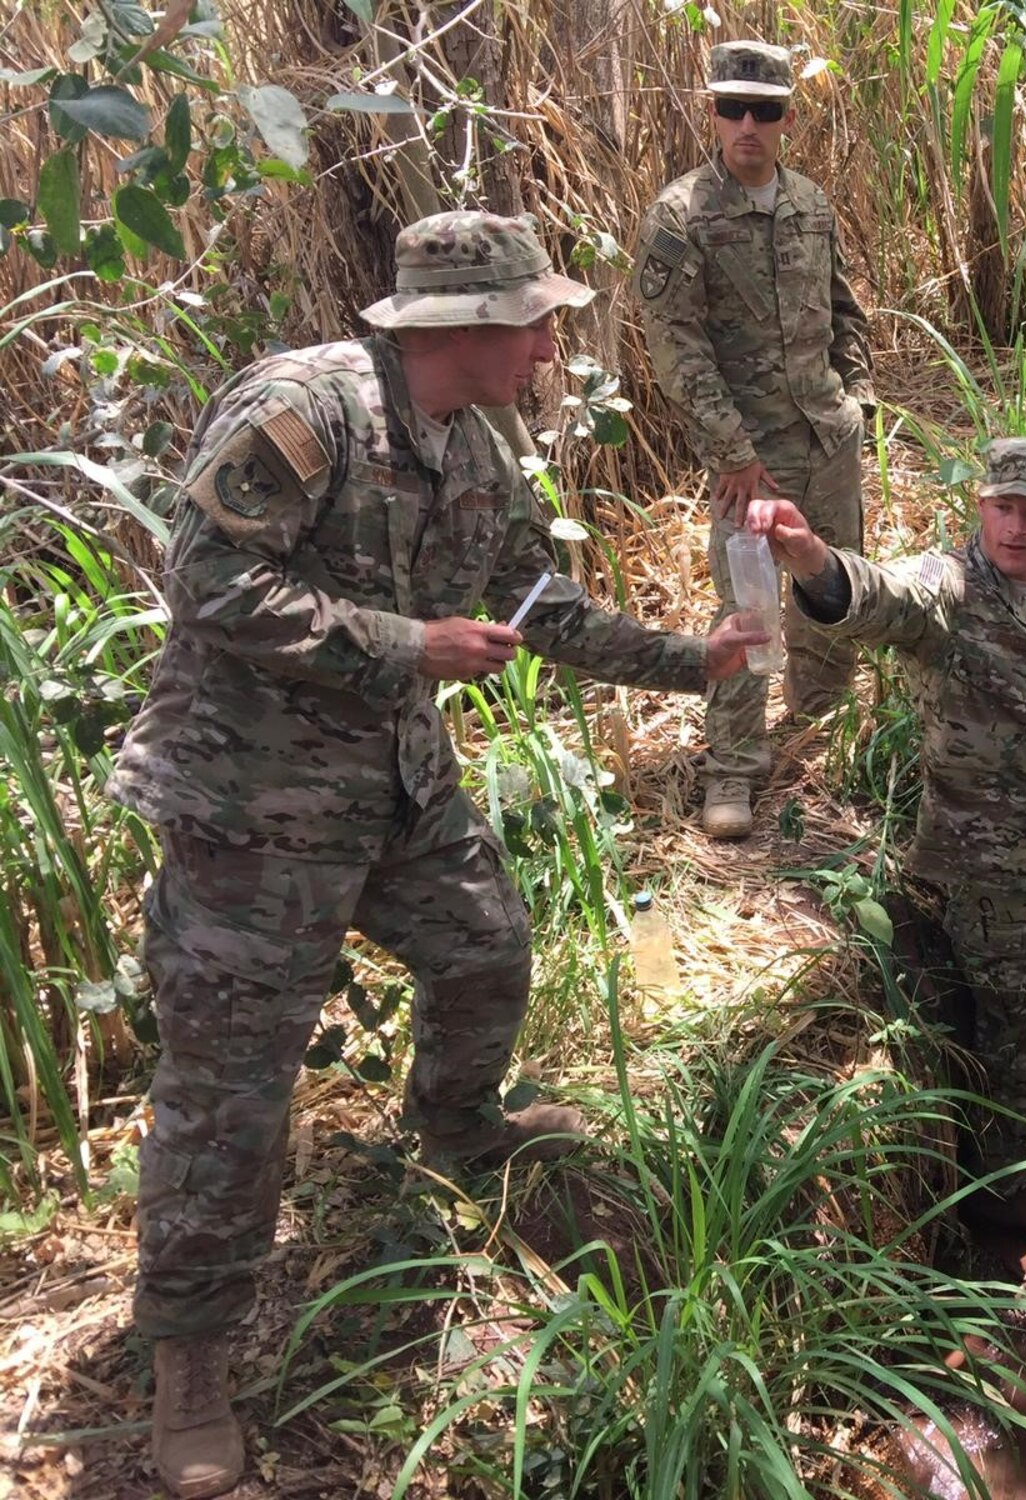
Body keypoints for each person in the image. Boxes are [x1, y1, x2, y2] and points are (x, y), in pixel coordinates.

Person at [108, 211, 766, 1499]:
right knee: (230, 1092)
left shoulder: (478, 444)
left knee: (484, 949)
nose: (550, 343)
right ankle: (188, 1360)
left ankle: (457, 1124)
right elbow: (208, 584)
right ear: (468, 328)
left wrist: (696, 660)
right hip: (253, 814)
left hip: (393, 793)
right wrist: (408, 645)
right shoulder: (307, 411)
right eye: (537, 322)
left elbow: (539, 602)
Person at [745, 438, 1026, 1234]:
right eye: (1003, 505)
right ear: (981, 506)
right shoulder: (950, 589)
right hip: (984, 863)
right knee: (1024, 1019)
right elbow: (878, 596)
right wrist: (812, 559)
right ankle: (1002, 1188)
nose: (1016, 525)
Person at [634, 39, 876, 840]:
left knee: (832, 590)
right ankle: (734, 765)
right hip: (751, 456)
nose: (748, 124)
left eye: (765, 110)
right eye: (732, 107)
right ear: (712, 113)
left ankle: (822, 732)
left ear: (787, 120)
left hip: (825, 438)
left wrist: (857, 403)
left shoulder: (811, 204)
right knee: (746, 609)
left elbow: (846, 313)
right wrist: (733, 451)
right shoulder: (682, 217)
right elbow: (677, 346)